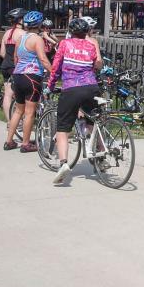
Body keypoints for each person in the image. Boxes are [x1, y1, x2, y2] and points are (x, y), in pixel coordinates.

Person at [47, 18, 103, 185]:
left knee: (63, 128)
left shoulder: (64, 44)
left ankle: (64, 164)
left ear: (71, 32)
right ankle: (102, 152)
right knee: (93, 121)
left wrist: (50, 85)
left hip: (71, 88)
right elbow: (97, 65)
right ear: (86, 32)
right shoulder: (91, 46)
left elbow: (56, 67)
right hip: (91, 87)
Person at [4, 11, 52, 152]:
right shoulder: (37, 39)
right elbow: (43, 59)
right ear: (39, 24)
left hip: (18, 75)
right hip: (32, 77)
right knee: (30, 112)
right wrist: (54, 71)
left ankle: (9, 141)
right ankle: (25, 144)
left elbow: (15, 58)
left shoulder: (20, 38)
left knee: (18, 111)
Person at [0, 8, 26, 127]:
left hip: (5, 65)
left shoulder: (6, 33)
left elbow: (2, 53)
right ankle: (20, 120)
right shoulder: (23, 34)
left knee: (8, 94)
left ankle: (10, 121)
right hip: (16, 67)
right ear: (20, 20)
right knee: (23, 94)